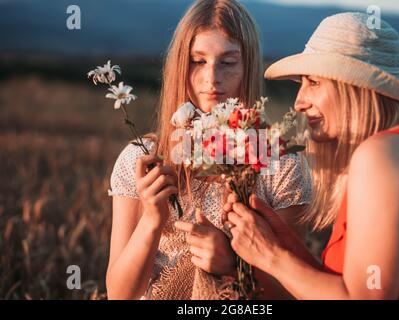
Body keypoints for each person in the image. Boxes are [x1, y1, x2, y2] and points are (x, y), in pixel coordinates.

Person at [223, 12, 399, 299]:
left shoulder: (382, 155)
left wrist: (270, 257)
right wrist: (282, 242)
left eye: (314, 82)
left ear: (355, 86)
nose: (299, 102)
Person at [105, 0, 312, 300]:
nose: (212, 77)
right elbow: (120, 295)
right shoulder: (142, 158)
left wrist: (232, 264)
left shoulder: (281, 166)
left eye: (228, 63)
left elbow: (295, 292)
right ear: (179, 65)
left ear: (249, 67)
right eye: (197, 60)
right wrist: (151, 219)